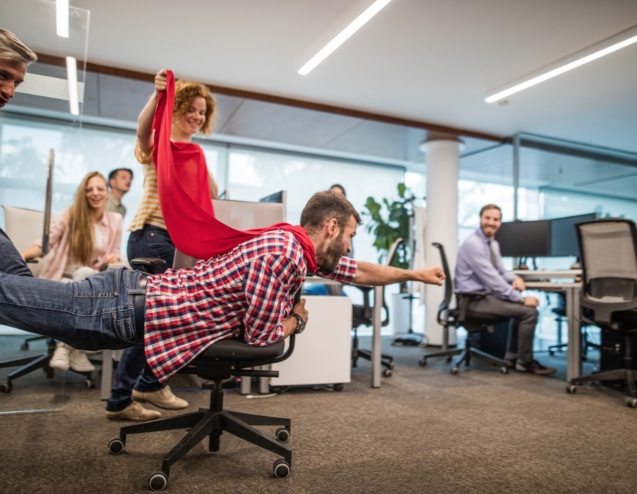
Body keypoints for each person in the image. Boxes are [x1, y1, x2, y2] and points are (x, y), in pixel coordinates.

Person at [0, 192, 446, 392]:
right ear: (331, 228)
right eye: (348, 235)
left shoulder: (290, 240)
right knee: (8, 297)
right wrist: (299, 316)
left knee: (14, 287)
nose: (348, 246)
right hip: (119, 307)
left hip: (129, 302)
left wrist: (413, 275)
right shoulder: (285, 256)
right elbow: (262, 334)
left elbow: (359, 271)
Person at [103, 70, 221, 421]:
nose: (198, 116)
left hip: (168, 237)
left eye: (203, 112)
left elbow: (213, 194)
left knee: (151, 317)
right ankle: (150, 383)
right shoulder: (159, 143)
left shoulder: (190, 152)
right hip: (152, 234)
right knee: (170, 312)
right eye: (192, 109)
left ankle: (121, 400)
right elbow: (142, 130)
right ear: (178, 107)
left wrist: (197, 162)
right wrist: (158, 97)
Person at [20, 172, 123, 373]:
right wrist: (21, 255)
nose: (95, 193)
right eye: (89, 189)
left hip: (91, 283)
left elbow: (116, 251)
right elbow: (44, 244)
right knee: (87, 278)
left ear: (107, 192)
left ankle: (66, 347)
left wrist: (114, 258)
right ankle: (76, 348)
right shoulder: (69, 216)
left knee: (88, 275)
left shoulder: (115, 220)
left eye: (100, 188)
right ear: (82, 194)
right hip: (61, 281)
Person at [454, 204, 556, 375]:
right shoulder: (474, 244)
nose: (491, 222)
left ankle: (511, 357)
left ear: (500, 222)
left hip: (484, 297)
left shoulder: (492, 243)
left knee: (523, 311)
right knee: (529, 312)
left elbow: (500, 272)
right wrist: (520, 298)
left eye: (495, 219)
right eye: (487, 218)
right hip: (472, 301)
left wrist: (515, 278)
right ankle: (525, 362)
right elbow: (492, 279)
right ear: (481, 219)